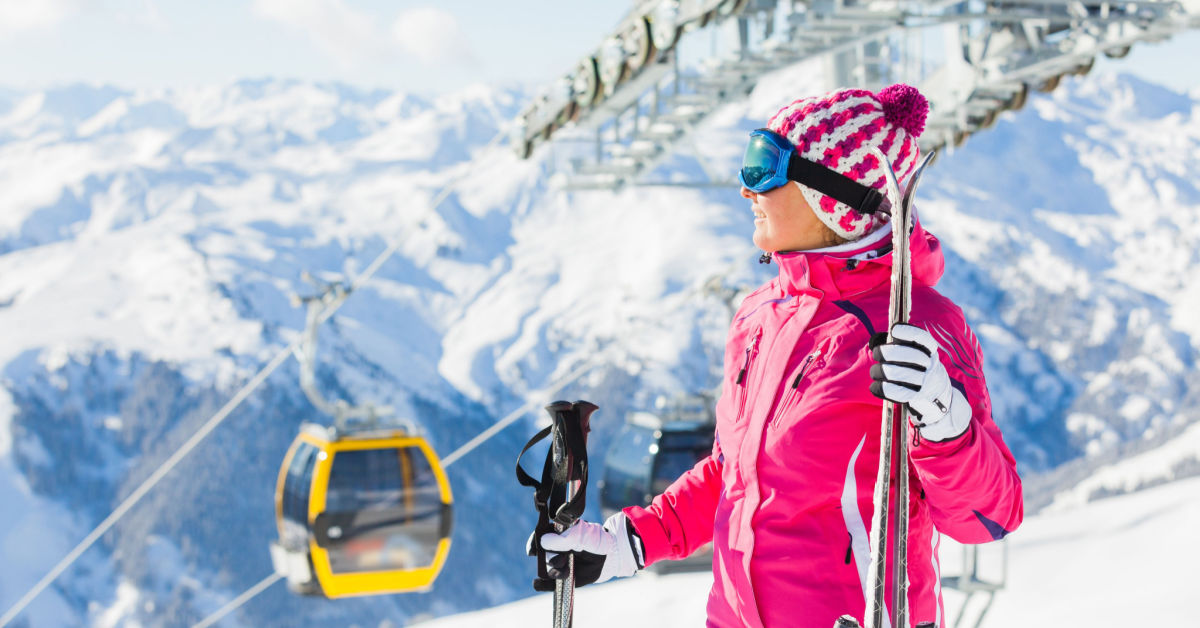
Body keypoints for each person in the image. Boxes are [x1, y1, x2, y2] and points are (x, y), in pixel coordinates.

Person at [533, 84, 1024, 628]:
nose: (746, 191)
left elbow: (990, 517)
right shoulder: (760, 316)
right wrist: (629, 542)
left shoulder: (917, 324)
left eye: (765, 170)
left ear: (830, 196)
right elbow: (733, 476)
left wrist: (944, 420)